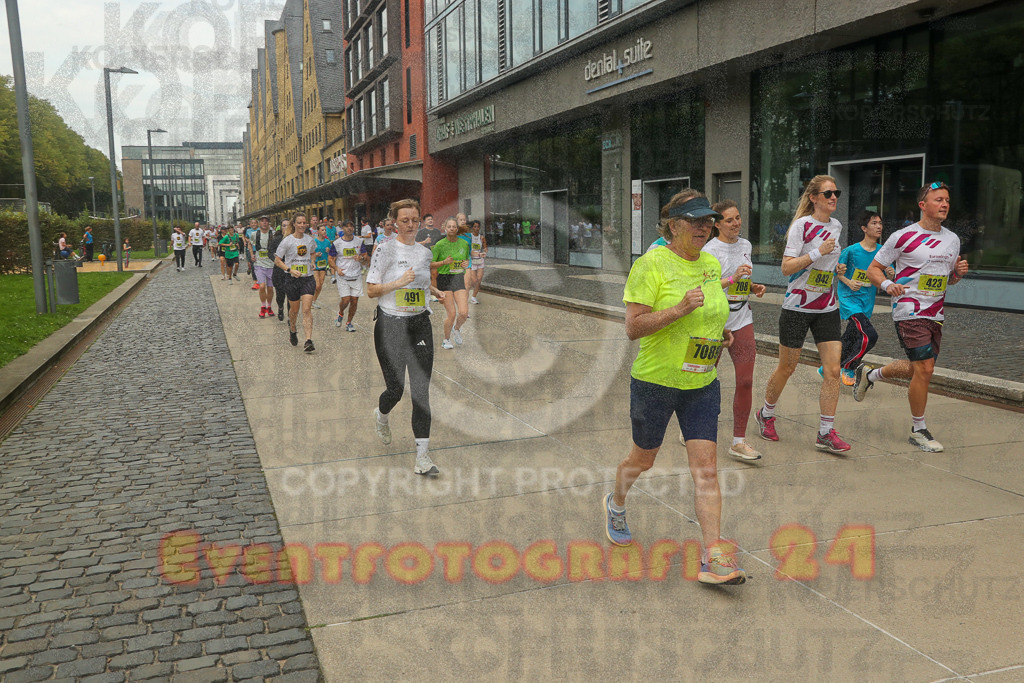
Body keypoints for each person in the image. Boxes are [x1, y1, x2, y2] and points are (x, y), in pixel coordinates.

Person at [605, 189, 745, 585]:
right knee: (642, 460)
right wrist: (680, 309)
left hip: (702, 382)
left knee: (706, 468)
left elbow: (713, 314)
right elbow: (633, 327)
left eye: (709, 222)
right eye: (697, 221)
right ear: (674, 225)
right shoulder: (650, 266)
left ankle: (713, 555)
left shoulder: (711, 265)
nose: (706, 228)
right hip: (655, 382)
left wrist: (718, 337)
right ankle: (616, 502)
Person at [856, 182, 969, 452]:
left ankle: (871, 375)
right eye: (938, 199)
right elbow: (874, 269)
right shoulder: (902, 237)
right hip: (909, 309)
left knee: (919, 369)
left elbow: (948, 281)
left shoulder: (952, 239)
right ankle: (918, 429)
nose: (944, 204)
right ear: (923, 205)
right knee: (925, 369)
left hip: (935, 313)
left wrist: (958, 274)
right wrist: (887, 286)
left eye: (947, 200)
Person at [755, 175, 850, 454]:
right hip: (797, 307)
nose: (834, 198)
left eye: (837, 193)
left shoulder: (836, 226)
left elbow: (825, 266)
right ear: (814, 198)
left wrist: (835, 269)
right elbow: (787, 268)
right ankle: (766, 414)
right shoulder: (802, 226)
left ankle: (825, 432)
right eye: (828, 193)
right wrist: (817, 253)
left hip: (827, 308)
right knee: (788, 367)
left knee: (833, 371)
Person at [366, 199, 443, 475]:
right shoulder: (384, 251)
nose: (411, 225)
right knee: (396, 390)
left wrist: (434, 292)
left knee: (421, 392)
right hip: (390, 325)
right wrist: (398, 283)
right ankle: (381, 414)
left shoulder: (425, 253)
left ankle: (423, 458)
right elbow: (372, 290)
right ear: (394, 223)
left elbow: (420, 282)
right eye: (405, 220)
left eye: (415, 220)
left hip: (420, 324)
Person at [701, 200, 767, 461]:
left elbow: (743, 280)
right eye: (729, 220)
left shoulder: (746, 245)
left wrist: (752, 287)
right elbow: (706, 287)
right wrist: (734, 279)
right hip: (714, 321)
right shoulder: (708, 250)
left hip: (742, 318)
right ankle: (693, 426)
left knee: (746, 380)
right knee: (703, 378)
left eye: (738, 218)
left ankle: (739, 441)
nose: (736, 223)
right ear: (717, 224)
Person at [829, 211, 894, 385]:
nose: (879, 226)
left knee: (850, 338)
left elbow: (889, 274)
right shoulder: (851, 251)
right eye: (874, 223)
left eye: (880, 222)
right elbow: (837, 272)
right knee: (869, 335)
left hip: (867, 300)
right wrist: (848, 282)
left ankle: (826, 368)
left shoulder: (883, 252)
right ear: (864, 228)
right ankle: (849, 367)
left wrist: (890, 273)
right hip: (850, 299)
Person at [275, 212, 317, 352]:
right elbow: (277, 260)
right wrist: (289, 270)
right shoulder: (287, 241)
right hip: (292, 279)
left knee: (306, 310)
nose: (302, 225)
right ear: (294, 224)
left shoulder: (309, 240)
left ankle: (308, 340)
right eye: (299, 223)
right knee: (294, 310)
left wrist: (312, 262)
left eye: (304, 223)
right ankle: (292, 329)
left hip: (308, 279)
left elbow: (312, 253)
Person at [431, 217, 471, 350]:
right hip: (444, 279)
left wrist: (465, 264)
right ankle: (446, 339)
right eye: (450, 226)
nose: (452, 228)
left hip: (458, 277)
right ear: (445, 228)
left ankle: (457, 329)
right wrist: (443, 262)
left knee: (464, 312)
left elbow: (465, 261)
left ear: (457, 228)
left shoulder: (464, 244)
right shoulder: (440, 245)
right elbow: (430, 264)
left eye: (454, 226)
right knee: (452, 313)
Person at [328, 219, 365, 332]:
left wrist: (361, 258)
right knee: (346, 300)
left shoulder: (359, 241)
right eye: (347, 226)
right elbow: (330, 259)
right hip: (343, 275)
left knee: (354, 301)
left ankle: (349, 323)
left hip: (356, 275)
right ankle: (341, 313)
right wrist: (337, 269)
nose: (349, 228)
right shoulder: (337, 243)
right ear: (342, 228)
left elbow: (365, 256)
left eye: (351, 226)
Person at [252, 216, 277, 318]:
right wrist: (252, 254)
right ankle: (263, 307)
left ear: (269, 224)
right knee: (262, 286)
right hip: (259, 264)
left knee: (270, 288)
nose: (264, 223)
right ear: (259, 223)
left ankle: (269, 307)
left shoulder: (273, 234)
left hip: (271, 264)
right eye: (262, 221)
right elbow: (249, 244)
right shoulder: (255, 234)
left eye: (266, 221)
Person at [270, 220, 291, 321]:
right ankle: (280, 308)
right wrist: (276, 260)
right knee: (280, 294)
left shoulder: (294, 239)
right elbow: (270, 251)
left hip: (291, 271)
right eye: (284, 226)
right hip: (279, 270)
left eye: (288, 226)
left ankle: (291, 315)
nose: (286, 228)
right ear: (281, 228)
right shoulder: (276, 240)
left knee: (291, 294)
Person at [311, 224, 332, 310]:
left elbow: (331, 254)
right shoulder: (314, 241)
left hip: (323, 264)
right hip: (315, 264)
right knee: (317, 285)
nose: (324, 232)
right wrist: (315, 254)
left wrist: (329, 250)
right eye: (322, 230)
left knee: (321, 284)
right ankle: (310, 300)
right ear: (318, 231)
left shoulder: (327, 242)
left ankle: (313, 301)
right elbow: (310, 253)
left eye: (325, 230)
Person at [466, 219, 487, 304]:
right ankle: (465, 293)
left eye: (478, 226)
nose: (476, 228)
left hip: (480, 261)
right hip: (472, 260)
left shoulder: (481, 237)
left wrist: (484, 252)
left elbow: (485, 247)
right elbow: (468, 249)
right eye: (474, 226)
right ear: (472, 227)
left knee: (479, 279)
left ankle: (474, 297)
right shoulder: (469, 237)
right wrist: (476, 254)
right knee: (473, 280)